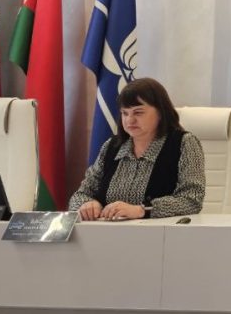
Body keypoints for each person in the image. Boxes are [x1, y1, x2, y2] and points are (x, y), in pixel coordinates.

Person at [69, 78, 205, 220]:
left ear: (161, 112)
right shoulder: (111, 146)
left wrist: (142, 210)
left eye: (138, 113)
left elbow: (192, 199)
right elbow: (80, 195)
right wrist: (88, 204)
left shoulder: (184, 143)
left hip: (161, 232)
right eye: (125, 113)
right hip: (108, 231)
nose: (129, 120)